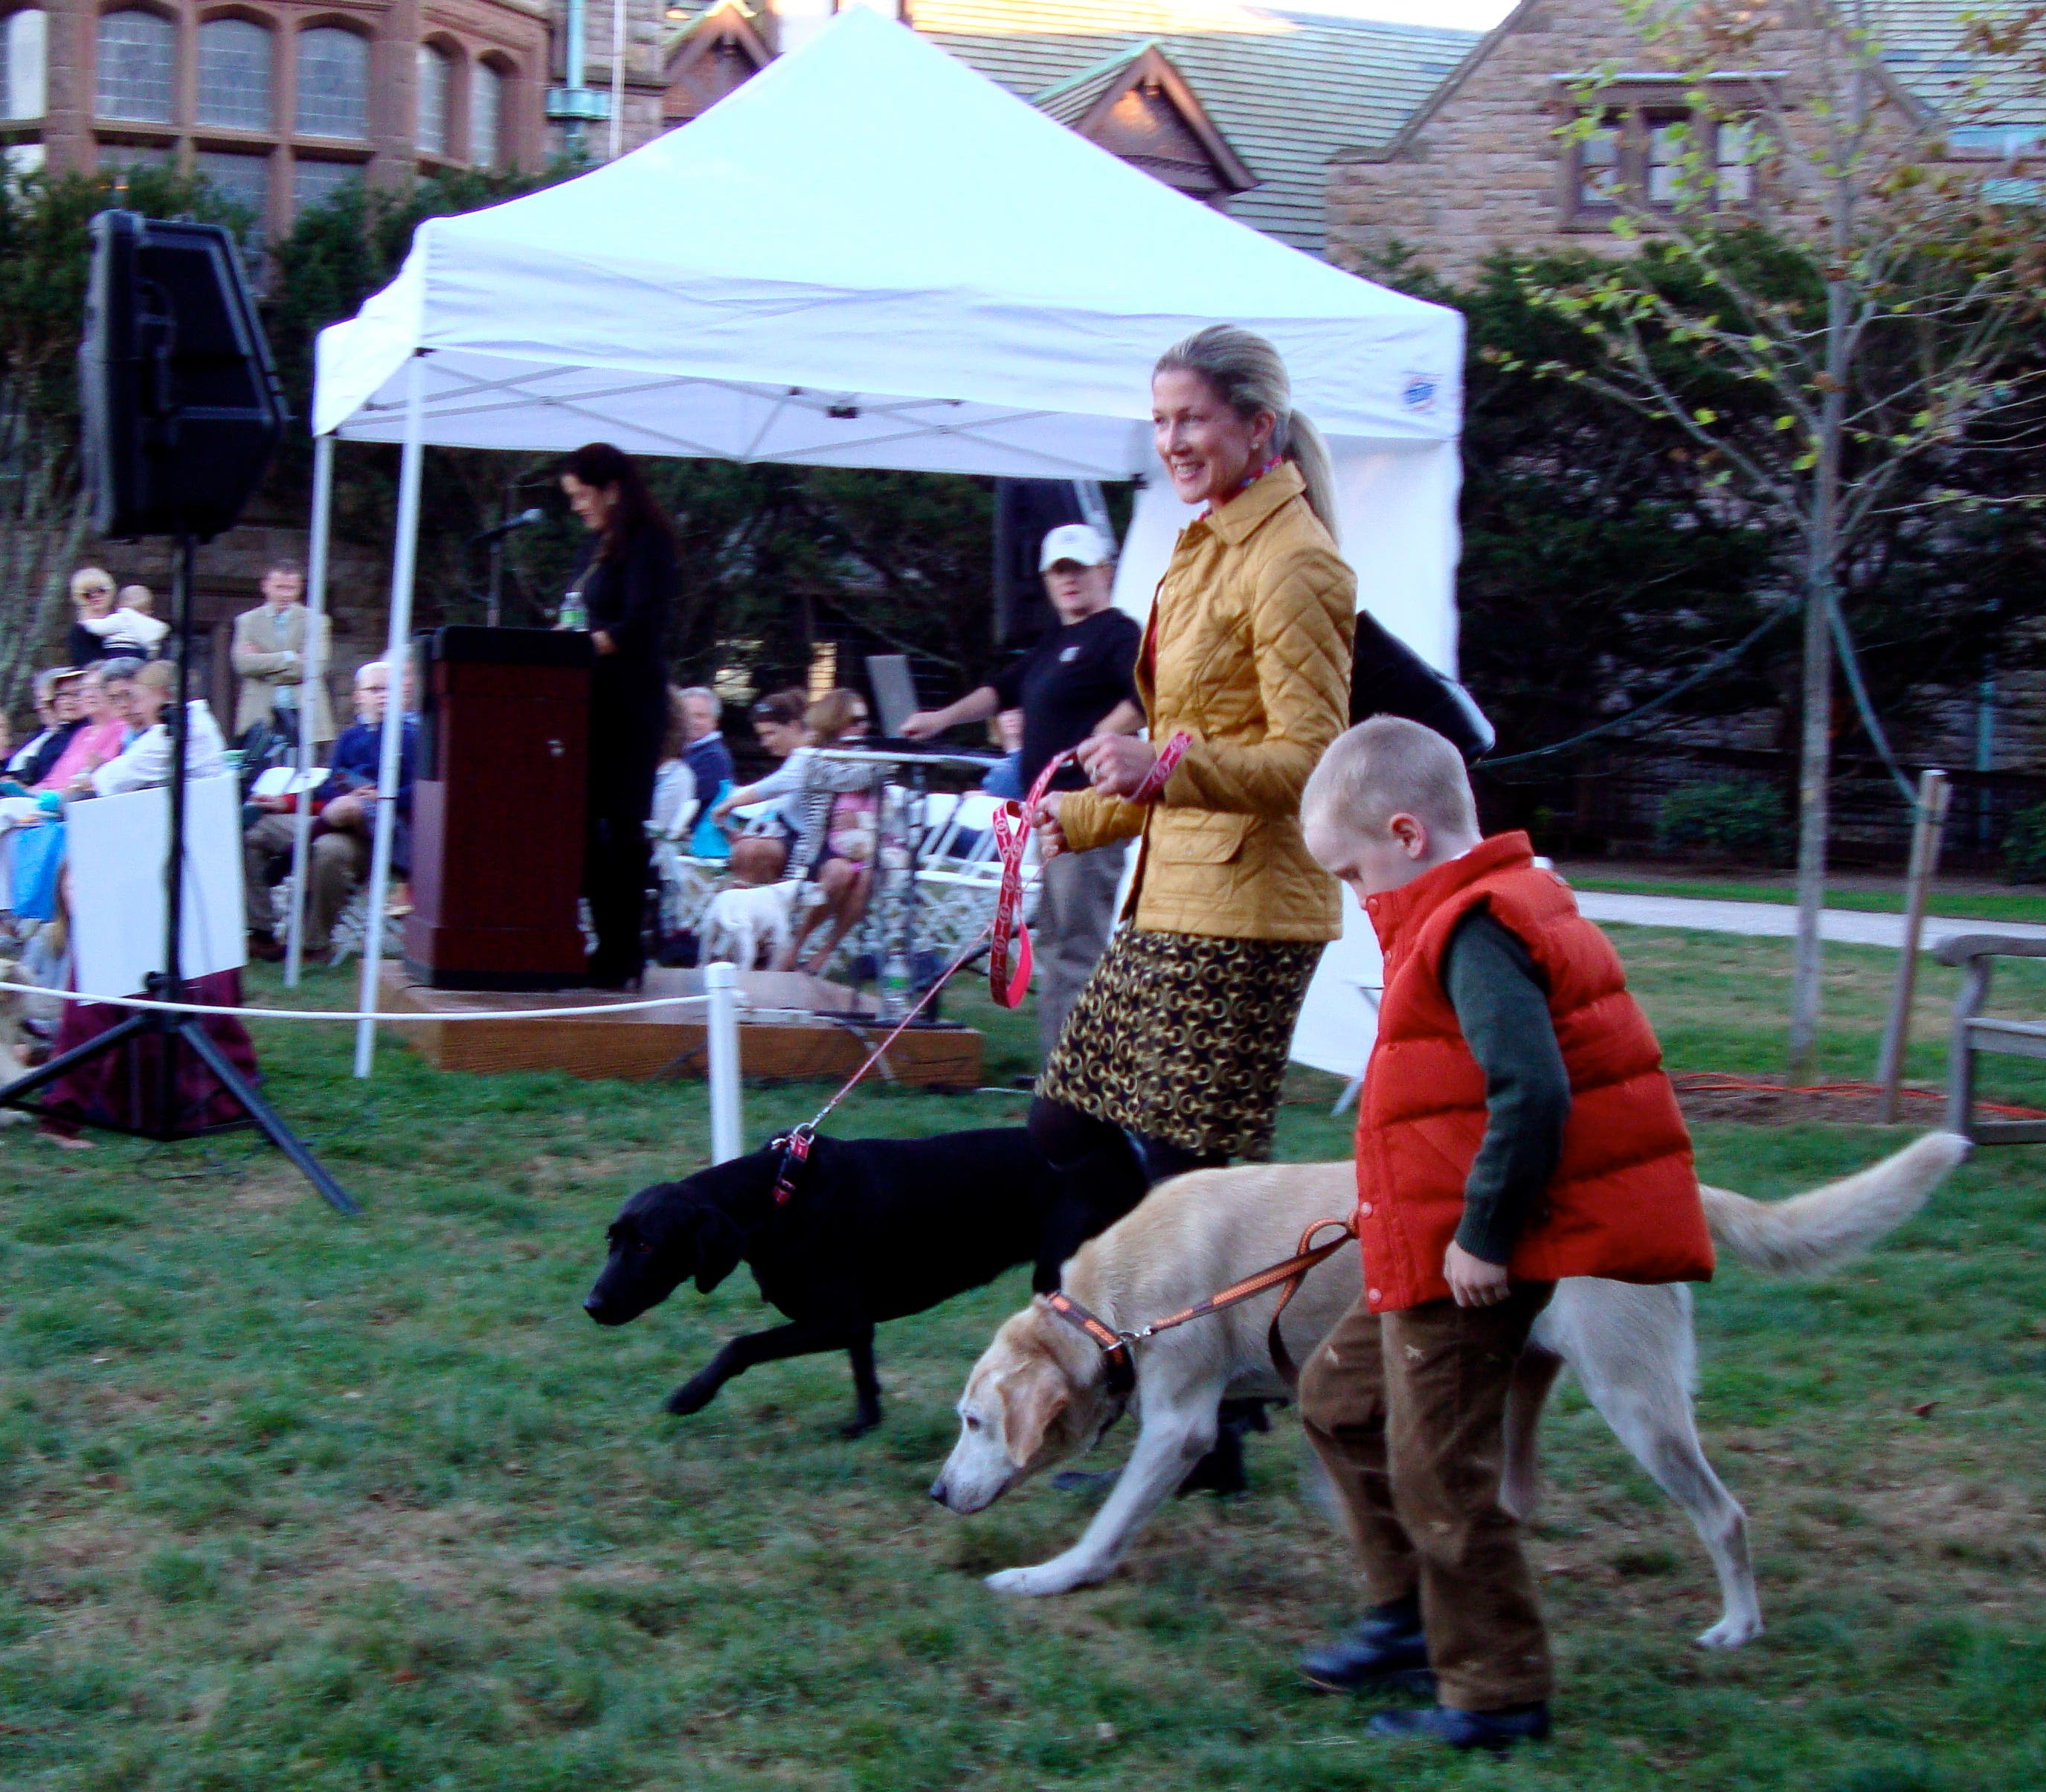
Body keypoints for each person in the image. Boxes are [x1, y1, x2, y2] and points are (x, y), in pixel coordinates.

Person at [1292, 716, 1715, 1753]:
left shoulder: (1476, 927)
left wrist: (1482, 1236)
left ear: (1404, 833)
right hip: (1422, 1236)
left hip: (1466, 1260)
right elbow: (1446, 1095)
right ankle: (1402, 1612)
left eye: (1352, 873)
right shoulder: (1453, 917)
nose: (1357, 897)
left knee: (1439, 1470)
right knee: (1336, 1402)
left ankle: (1493, 1692)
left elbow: (1530, 1091)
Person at [1026, 327, 1355, 1285]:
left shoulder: (1294, 562)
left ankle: (1208, 1399)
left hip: (1250, 913)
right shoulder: (1203, 547)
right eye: (1161, 419)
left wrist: (1160, 768)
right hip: (1173, 903)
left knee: (1184, 1174)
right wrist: (1079, 818)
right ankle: (1173, 1318)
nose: (1171, 439)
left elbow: (1313, 759)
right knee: (1062, 1123)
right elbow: (1178, 755)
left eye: (1192, 419)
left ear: (1258, 428)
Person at [905, 521, 1143, 1057]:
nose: (1069, 581)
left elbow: (1147, 696)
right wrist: (942, 718)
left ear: (1104, 570)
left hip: (1091, 814)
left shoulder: (1118, 633)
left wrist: (1099, 737)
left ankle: (1075, 1078)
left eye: (1079, 568)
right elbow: (1000, 690)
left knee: (1075, 946)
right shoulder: (1054, 642)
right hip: (1049, 815)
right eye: (1058, 571)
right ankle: (1059, 1070)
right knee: (1057, 941)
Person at [559, 443, 675, 989]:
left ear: (610, 490)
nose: (577, 507)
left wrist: (589, 644)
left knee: (620, 826)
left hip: (629, 706)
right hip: (590, 703)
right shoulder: (594, 548)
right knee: (581, 824)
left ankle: (623, 949)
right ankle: (598, 940)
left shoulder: (649, 545)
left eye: (582, 495)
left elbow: (642, 626)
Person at [242, 661, 416, 964]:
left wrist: (384, 797)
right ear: (358, 696)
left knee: (328, 850)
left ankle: (313, 944)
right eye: (373, 690)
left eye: (387, 689)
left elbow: (422, 792)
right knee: (256, 831)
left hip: (377, 835)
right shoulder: (350, 738)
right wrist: (286, 802)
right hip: (335, 816)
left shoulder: (413, 737)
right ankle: (262, 931)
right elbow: (327, 788)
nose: (381, 696)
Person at [74, 661, 228, 797]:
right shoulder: (193, 719)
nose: (138, 708)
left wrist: (88, 780)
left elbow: (115, 778)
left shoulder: (175, 731)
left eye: (139, 699)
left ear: (162, 695)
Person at [231, 561, 334, 754]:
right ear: (265, 586)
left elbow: (315, 667)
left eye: (291, 588)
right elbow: (243, 664)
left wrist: (263, 666)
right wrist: (289, 657)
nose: (285, 595)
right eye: (279, 587)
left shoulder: (317, 621)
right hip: (260, 714)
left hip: (304, 713)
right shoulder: (247, 621)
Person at [721, 690, 811, 885]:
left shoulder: (807, 757)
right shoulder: (796, 758)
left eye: (771, 733)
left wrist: (728, 804)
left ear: (794, 726)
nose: (765, 743)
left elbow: (776, 785)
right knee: (745, 849)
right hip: (792, 836)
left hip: (810, 845)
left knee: (752, 852)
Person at [33, 664, 129, 793]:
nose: (90, 695)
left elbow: (96, 772)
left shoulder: (121, 727)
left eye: (98, 688)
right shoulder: (83, 733)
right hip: (52, 798)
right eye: (85, 689)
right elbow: (54, 778)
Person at [10, 671, 83, 786]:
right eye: (63, 695)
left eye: (76, 695)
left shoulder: (80, 733)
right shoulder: (43, 735)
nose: (68, 701)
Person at [675, 685, 735, 802]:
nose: (693, 722)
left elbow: (686, 801)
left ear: (715, 722)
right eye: (687, 715)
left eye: (701, 716)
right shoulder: (684, 749)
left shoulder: (712, 757)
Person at [77, 585, 169, 659]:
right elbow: (152, 647)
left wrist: (86, 623)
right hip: (139, 662)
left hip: (117, 658)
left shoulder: (121, 618)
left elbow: (100, 628)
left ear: (119, 606)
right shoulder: (152, 627)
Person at [63, 568, 119, 667]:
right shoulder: (79, 631)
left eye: (101, 590)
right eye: (87, 594)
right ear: (79, 597)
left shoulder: (121, 622)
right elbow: (85, 663)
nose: (95, 596)